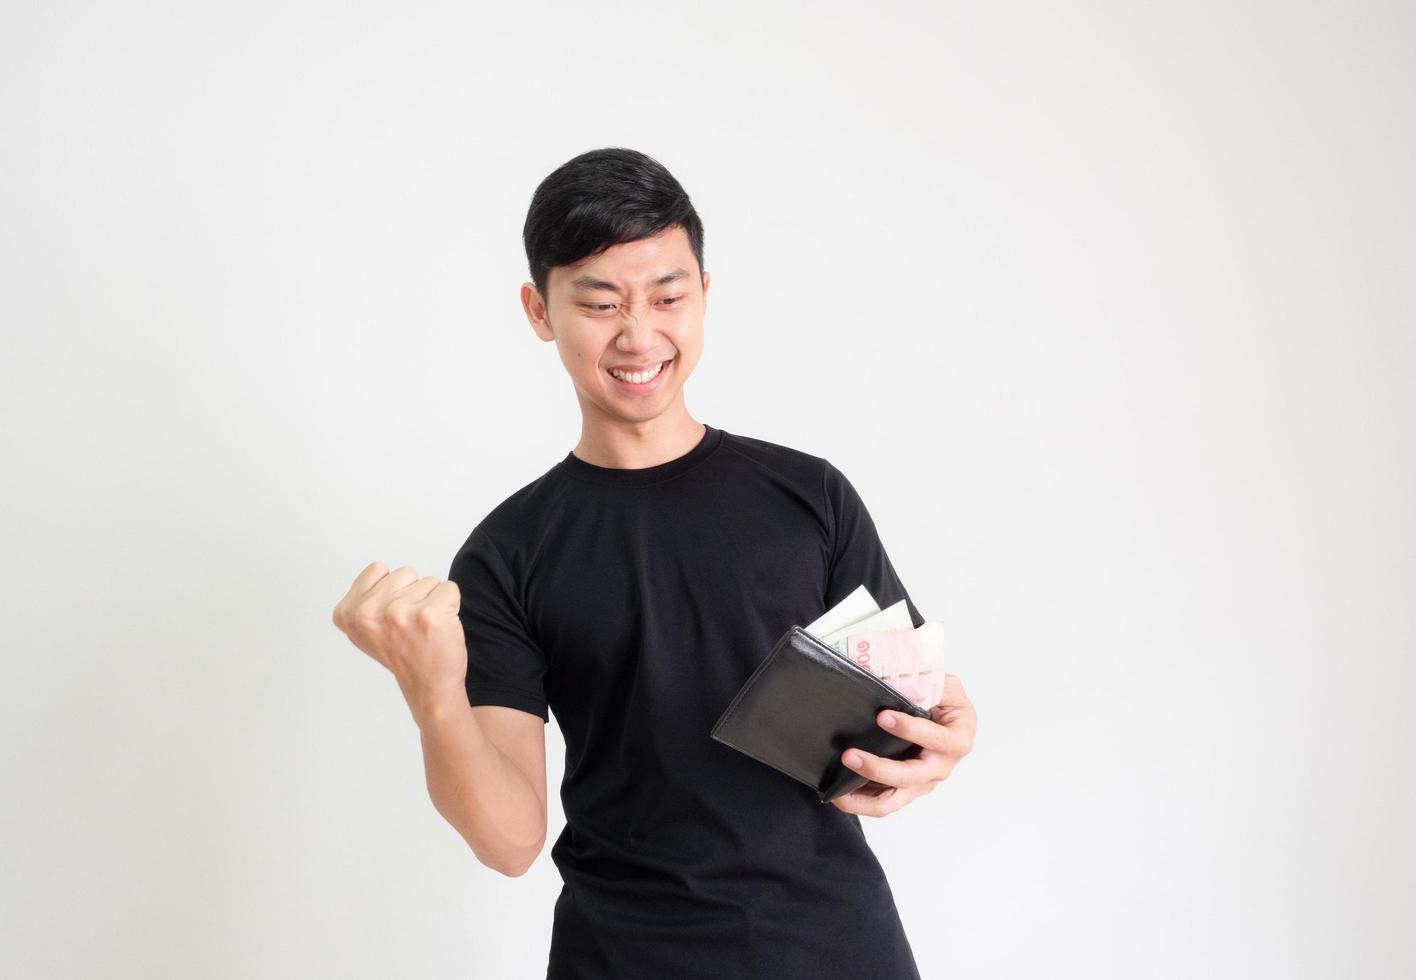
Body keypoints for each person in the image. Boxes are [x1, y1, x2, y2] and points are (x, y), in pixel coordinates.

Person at [332, 147, 977, 979]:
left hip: (835, 948)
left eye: (668, 296)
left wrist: (934, 743)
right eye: (600, 303)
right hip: (624, 956)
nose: (639, 335)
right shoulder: (506, 555)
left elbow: (904, 726)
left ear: (705, 295)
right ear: (539, 310)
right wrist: (431, 693)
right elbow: (509, 841)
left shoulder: (810, 498)